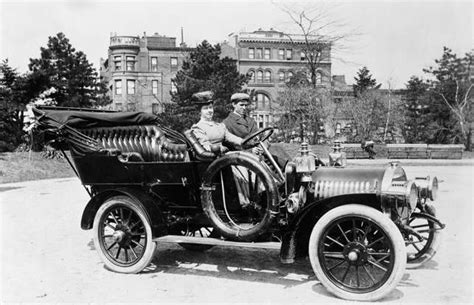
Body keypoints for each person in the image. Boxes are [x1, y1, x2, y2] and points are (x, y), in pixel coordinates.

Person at [223, 92, 290, 169]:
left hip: (259, 153)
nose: (244, 108)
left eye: (246, 105)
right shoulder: (227, 123)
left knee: (280, 155)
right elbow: (231, 146)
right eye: (241, 105)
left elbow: (261, 137)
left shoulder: (250, 120)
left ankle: (291, 172)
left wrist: (263, 146)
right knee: (273, 166)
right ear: (234, 104)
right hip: (244, 157)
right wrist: (251, 151)